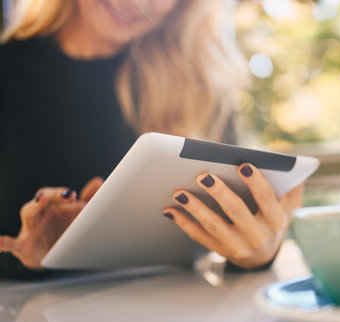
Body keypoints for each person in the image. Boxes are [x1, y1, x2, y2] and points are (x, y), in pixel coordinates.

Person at [0, 0, 303, 278]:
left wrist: (254, 253)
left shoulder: (199, 86)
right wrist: (23, 260)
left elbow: (223, 239)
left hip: (173, 319)